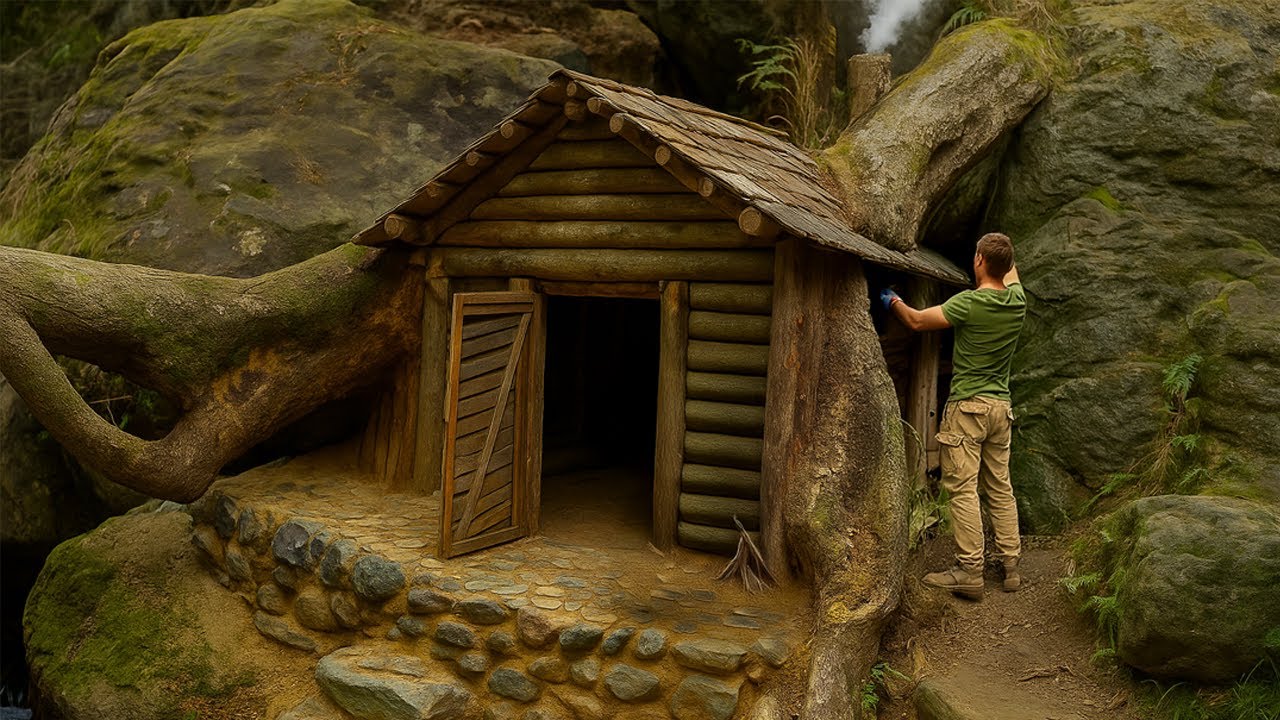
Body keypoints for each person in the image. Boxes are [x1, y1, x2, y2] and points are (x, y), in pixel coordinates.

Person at [880, 232, 1026, 600]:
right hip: (1000, 409)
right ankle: (1010, 566)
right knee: (999, 486)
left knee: (962, 489)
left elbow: (914, 321)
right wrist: (999, 254)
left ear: (979, 261)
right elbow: (1010, 271)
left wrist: (891, 298)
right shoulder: (1017, 300)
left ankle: (969, 571)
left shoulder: (968, 304)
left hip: (967, 410)